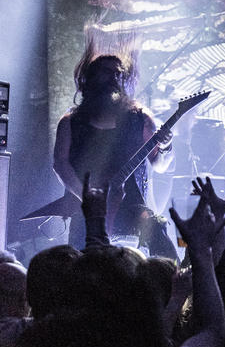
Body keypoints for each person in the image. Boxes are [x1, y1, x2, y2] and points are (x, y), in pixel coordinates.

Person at [53, 39, 175, 257]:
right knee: (82, 265)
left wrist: (166, 146)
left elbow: (160, 165)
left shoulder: (140, 118)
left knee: (157, 228)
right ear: (90, 78)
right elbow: (60, 165)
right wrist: (86, 197)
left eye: (118, 74)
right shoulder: (71, 122)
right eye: (106, 72)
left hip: (133, 211)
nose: (114, 78)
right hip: (87, 210)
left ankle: (173, 276)